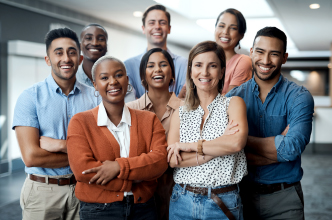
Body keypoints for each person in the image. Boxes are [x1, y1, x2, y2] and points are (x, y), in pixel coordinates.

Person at [226, 27, 314, 219]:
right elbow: (227, 156)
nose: (265, 61)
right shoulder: (233, 97)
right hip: (240, 196)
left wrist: (241, 140)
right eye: (260, 52)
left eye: (274, 54)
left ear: (284, 57)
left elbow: (291, 148)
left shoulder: (299, 97)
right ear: (251, 52)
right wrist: (279, 144)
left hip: (285, 199)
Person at [12, 27, 100, 220]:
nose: (66, 59)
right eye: (58, 53)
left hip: (85, 189)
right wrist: (85, 155)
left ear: (80, 58)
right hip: (42, 192)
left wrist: (61, 145)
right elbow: (32, 157)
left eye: (72, 52)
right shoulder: (30, 97)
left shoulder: (95, 98)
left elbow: (105, 148)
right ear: (48, 59)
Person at [67, 55, 168, 220]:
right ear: (95, 85)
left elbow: (159, 161)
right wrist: (134, 180)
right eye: (104, 78)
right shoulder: (80, 122)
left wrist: (118, 167)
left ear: (127, 80)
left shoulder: (149, 119)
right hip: (99, 210)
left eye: (119, 75)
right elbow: (83, 170)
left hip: (143, 209)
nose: (113, 81)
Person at [167, 41, 248, 220]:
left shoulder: (233, 104)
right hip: (182, 200)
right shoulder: (180, 113)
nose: (204, 72)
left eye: (212, 66)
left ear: (221, 72)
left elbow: (235, 143)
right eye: (198, 65)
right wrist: (216, 148)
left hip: (223, 201)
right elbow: (173, 160)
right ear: (190, 71)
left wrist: (189, 146)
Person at [126, 48, 182, 220]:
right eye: (151, 66)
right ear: (143, 76)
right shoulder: (130, 110)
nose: (157, 69)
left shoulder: (187, 109)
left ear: (172, 73)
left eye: (163, 65)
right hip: (141, 190)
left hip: (178, 188)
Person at [178, 8, 251, 98]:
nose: (225, 32)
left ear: (241, 35)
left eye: (233, 28)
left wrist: (195, 99)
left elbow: (228, 100)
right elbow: (182, 97)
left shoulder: (243, 61)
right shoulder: (201, 57)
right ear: (215, 28)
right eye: (221, 26)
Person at [124, 4, 188, 98]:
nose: (157, 26)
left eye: (162, 22)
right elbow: (130, 102)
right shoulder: (128, 66)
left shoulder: (184, 64)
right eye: (151, 22)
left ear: (169, 29)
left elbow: (184, 100)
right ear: (143, 29)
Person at [78, 23, 135, 102]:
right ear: (80, 45)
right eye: (88, 38)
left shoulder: (120, 78)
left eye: (101, 39)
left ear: (106, 46)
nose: (95, 43)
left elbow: (130, 108)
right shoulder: (73, 79)